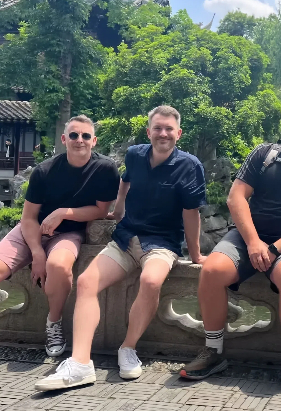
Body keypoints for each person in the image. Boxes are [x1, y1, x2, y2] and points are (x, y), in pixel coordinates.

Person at [0, 115, 120, 380]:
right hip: (32, 230)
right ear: (64, 139)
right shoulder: (45, 170)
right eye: (74, 135)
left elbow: (101, 210)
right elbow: (28, 218)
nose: (80, 141)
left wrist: (63, 213)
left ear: (94, 140)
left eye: (86, 136)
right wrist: (37, 252)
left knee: (59, 266)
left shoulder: (104, 169)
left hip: (68, 232)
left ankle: (53, 322)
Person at [35, 106, 207, 391]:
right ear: (148, 131)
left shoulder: (190, 165)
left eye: (168, 129)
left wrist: (196, 253)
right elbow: (124, 183)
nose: (162, 133)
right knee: (87, 282)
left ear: (178, 133)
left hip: (162, 242)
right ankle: (80, 363)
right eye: (157, 128)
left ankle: (128, 348)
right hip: (127, 238)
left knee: (150, 280)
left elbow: (191, 213)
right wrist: (117, 211)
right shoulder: (136, 155)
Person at [179, 105, 281, 394]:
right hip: (247, 236)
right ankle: (213, 351)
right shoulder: (265, 155)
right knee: (213, 270)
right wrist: (254, 243)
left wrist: (275, 248)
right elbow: (236, 197)